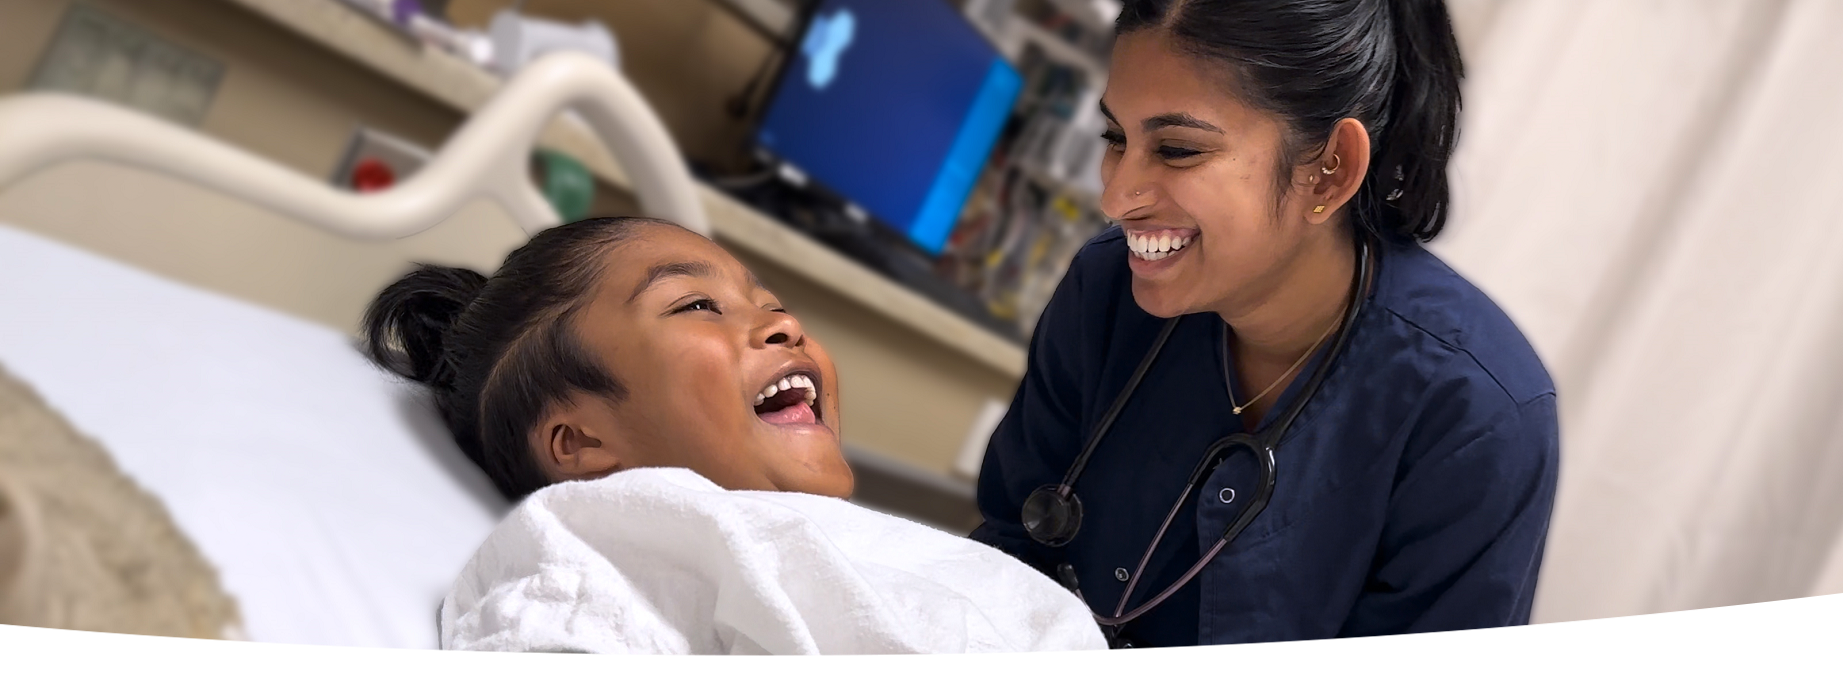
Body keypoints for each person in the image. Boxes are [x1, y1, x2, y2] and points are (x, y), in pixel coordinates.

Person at [971, 0, 1559, 652]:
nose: (1115, 197)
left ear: (1329, 169)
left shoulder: (1475, 416)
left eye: (1176, 149)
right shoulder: (1106, 292)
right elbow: (1001, 563)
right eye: (1116, 138)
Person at [364, 217, 1104, 654]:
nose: (785, 323)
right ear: (579, 442)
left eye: (769, 303)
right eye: (695, 306)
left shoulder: (870, 557)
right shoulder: (598, 567)